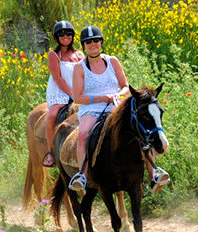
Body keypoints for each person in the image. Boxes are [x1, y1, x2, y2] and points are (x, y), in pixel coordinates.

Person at [68, 25, 170, 193]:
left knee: (138, 129)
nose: (93, 44)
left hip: (115, 106)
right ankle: (82, 175)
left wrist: (117, 95)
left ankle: (154, 173)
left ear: (101, 42)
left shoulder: (112, 61)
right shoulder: (80, 67)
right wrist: (102, 98)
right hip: (91, 108)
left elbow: (125, 86)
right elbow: (78, 97)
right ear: (84, 46)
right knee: (83, 134)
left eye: (96, 41)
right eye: (88, 42)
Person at [42, 21, 84, 167]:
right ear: (57, 37)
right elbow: (57, 77)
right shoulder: (54, 55)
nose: (65, 36)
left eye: (68, 33)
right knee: (52, 115)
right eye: (61, 34)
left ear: (72, 36)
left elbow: (85, 74)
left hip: (78, 91)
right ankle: (50, 153)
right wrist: (71, 94)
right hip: (60, 92)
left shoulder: (79, 54)